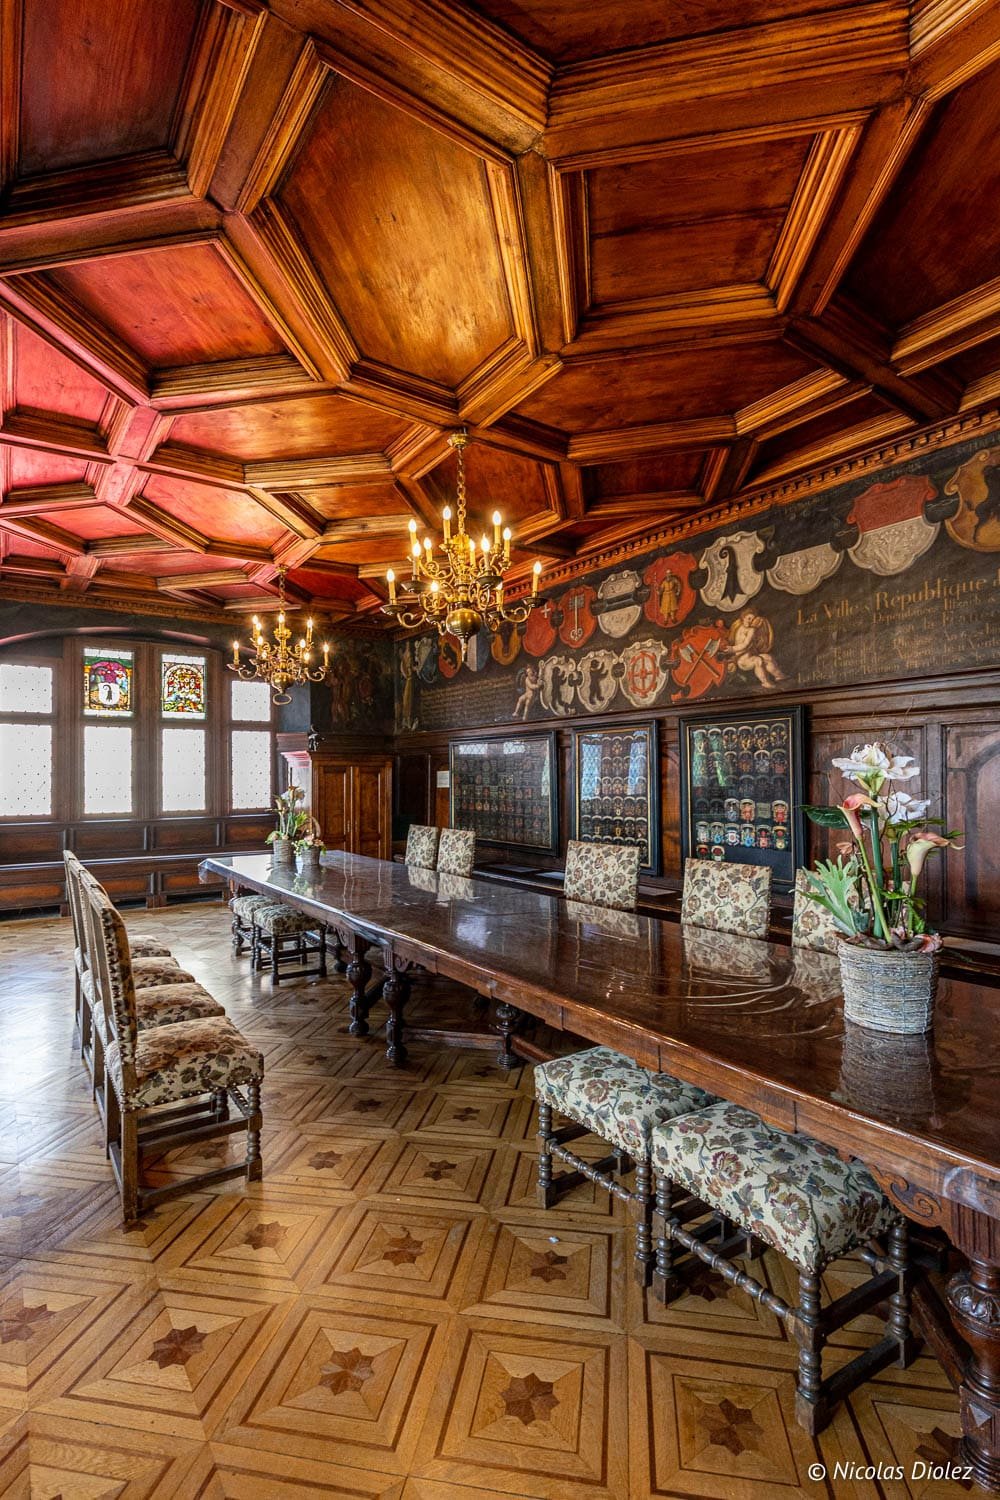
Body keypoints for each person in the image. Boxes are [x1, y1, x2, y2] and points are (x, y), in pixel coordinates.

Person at [726, 609, 786, 688]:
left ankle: (779, 676)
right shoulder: (741, 628)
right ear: (743, 617)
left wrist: (732, 648)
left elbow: (747, 645)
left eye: (753, 619)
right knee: (758, 660)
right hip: (742, 660)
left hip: (750, 656)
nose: (750, 621)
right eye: (749, 618)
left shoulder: (751, 629)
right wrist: (732, 649)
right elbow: (745, 645)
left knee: (768, 657)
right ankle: (765, 682)